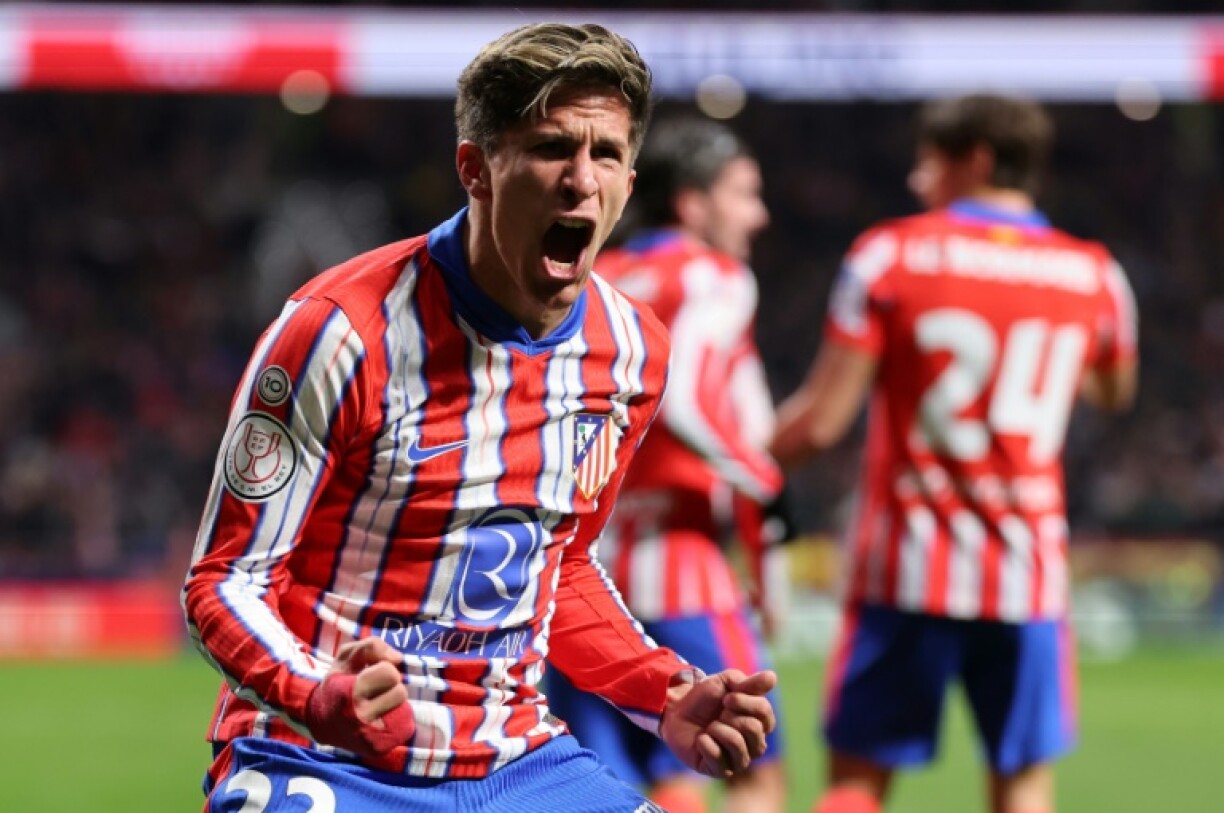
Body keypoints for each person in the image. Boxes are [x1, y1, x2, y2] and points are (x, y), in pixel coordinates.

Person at [182, 23, 777, 813]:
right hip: (322, 756)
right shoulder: (338, 333)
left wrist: (662, 691)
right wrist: (317, 692)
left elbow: (555, 566)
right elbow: (225, 579)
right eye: (551, 148)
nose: (580, 182)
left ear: (630, 183)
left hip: (517, 758)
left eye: (605, 155)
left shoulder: (633, 352)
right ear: (475, 169)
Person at [769, 95, 1138, 813]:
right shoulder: (1096, 274)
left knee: (856, 783)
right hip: (1028, 571)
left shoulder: (890, 255)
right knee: (1024, 785)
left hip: (906, 566)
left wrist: (743, 463)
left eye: (928, 162)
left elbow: (820, 422)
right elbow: (1114, 389)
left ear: (975, 159)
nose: (916, 180)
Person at [546, 116, 789, 813]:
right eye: (743, 194)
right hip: (686, 567)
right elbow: (703, 403)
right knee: (750, 767)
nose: (757, 214)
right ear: (692, 203)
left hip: (582, 578)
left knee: (633, 776)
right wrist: (763, 486)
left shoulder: (597, 277)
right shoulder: (714, 275)